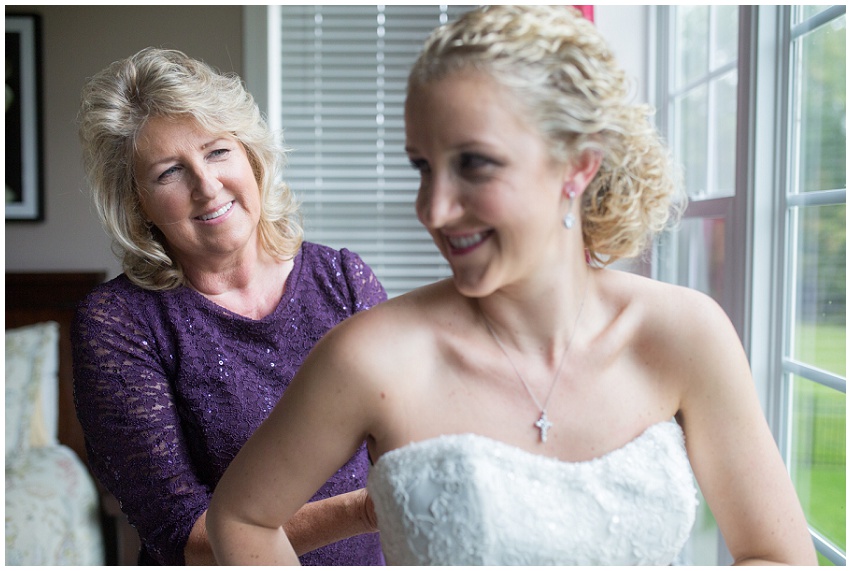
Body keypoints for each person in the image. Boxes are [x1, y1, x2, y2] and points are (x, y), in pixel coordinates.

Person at [206, 6, 817, 566]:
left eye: (474, 164)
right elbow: (242, 519)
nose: (434, 209)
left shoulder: (685, 333)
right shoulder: (371, 358)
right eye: (423, 166)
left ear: (579, 164)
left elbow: (779, 556)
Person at [72, 47, 387, 566]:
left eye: (217, 151)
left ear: (251, 155)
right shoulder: (119, 324)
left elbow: (406, 451)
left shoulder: (344, 280)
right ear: (137, 204)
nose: (207, 185)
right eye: (170, 171)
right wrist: (369, 511)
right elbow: (185, 535)